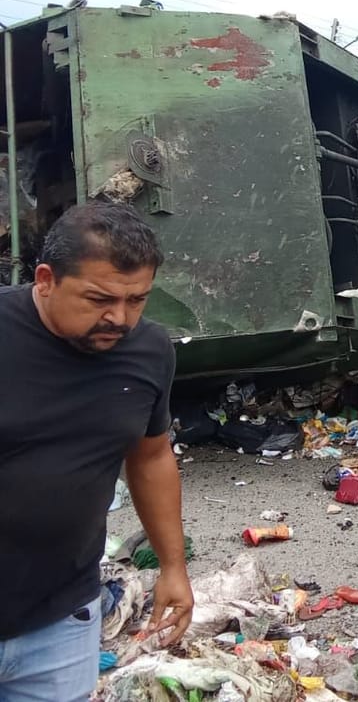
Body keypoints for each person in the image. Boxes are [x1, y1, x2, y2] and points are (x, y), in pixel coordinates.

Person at [0, 201, 193, 700]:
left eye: (137, 300)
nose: (119, 318)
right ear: (45, 280)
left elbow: (150, 457)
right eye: (99, 298)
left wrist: (173, 566)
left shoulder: (149, 352)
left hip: (62, 620)